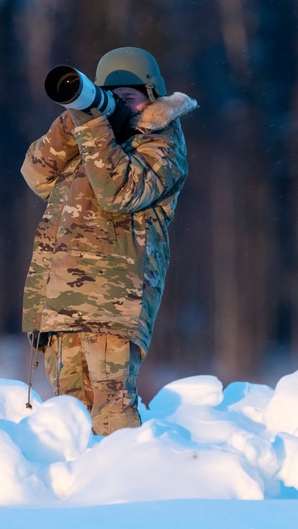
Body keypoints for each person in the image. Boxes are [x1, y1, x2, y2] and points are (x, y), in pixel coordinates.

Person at [21, 47, 197, 435]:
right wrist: (75, 120)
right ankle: (80, 492)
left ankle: (124, 487)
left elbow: (119, 191)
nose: (116, 105)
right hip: (61, 304)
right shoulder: (90, 138)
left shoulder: (162, 145)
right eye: (108, 96)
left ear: (150, 97)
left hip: (113, 305)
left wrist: (94, 127)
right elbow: (36, 175)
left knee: (111, 415)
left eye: (126, 99)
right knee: (69, 420)